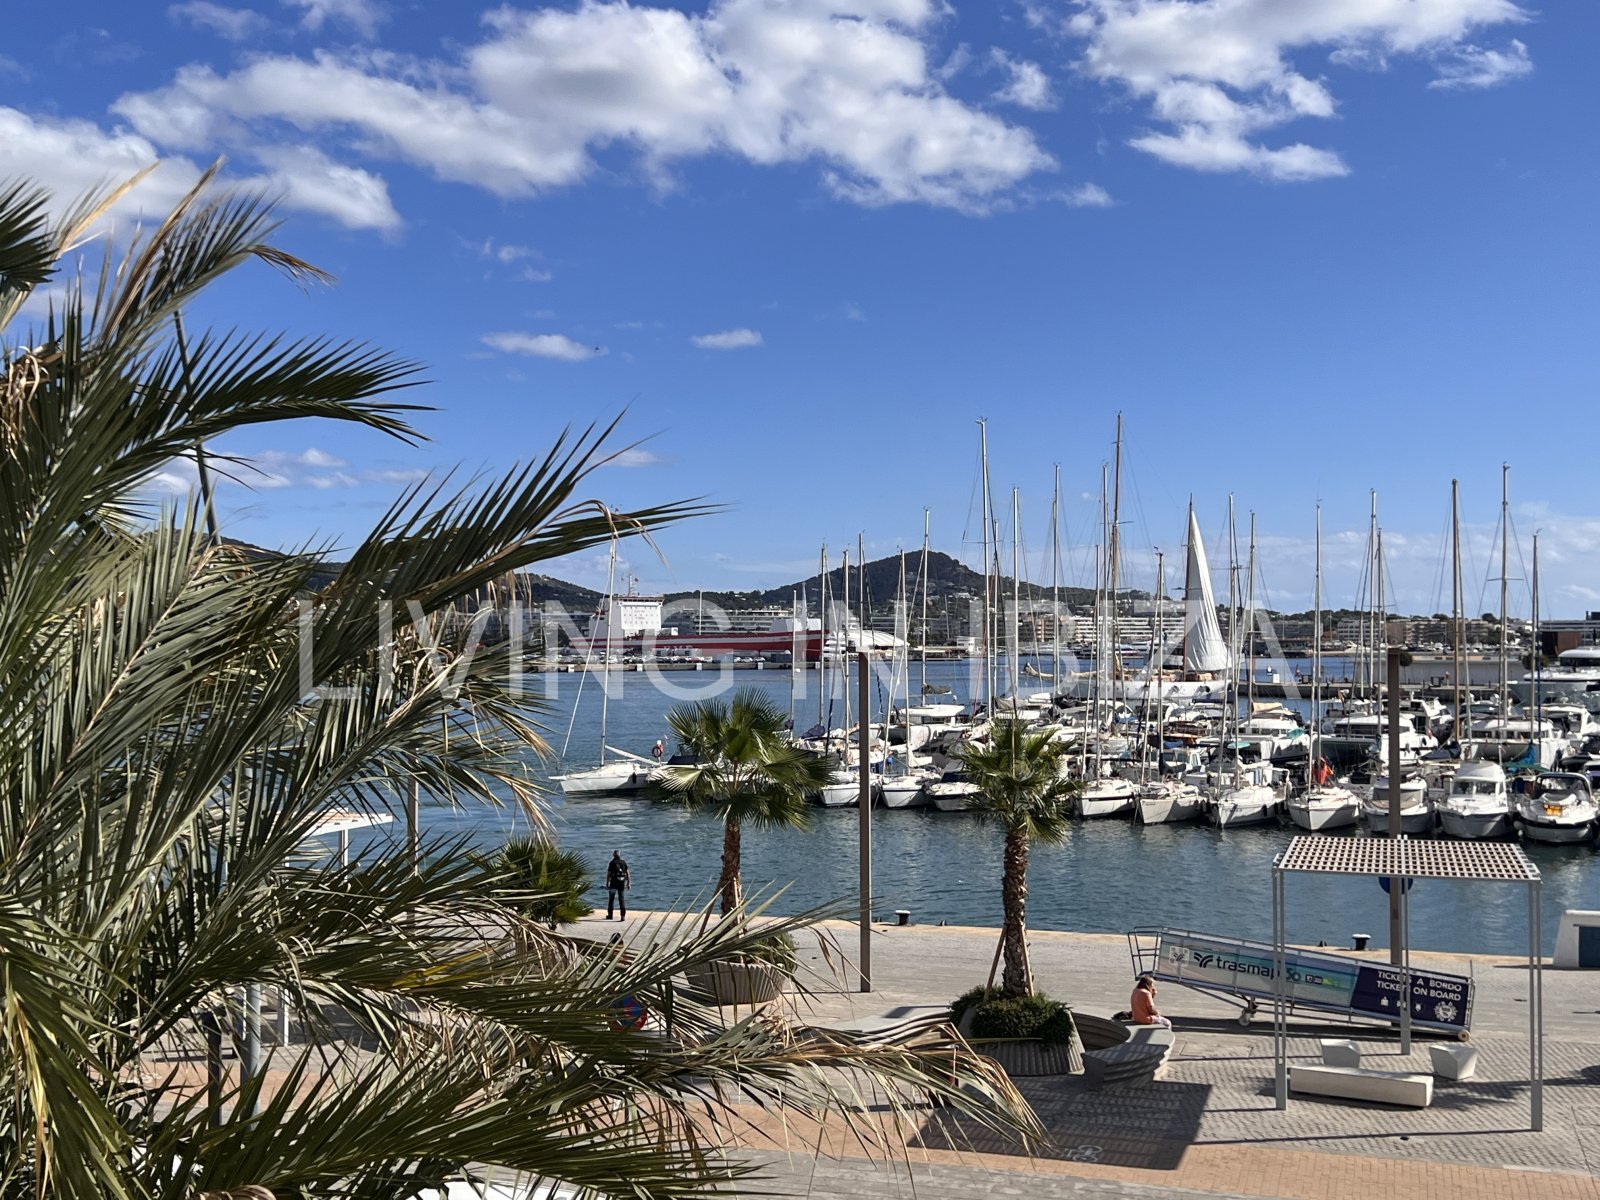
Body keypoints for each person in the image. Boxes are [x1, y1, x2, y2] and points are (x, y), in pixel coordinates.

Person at [605, 850, 631, 920]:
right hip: (621, 882)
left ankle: (610, 915)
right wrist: (629, 883)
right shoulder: (623, 862)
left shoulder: (612, 863)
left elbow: (609, 874)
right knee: (621, 898)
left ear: (613, 855)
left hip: (613, 882)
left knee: (611, 898)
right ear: (619, 855)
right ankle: (623, 916)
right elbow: (628, 873)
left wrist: (607, 883)